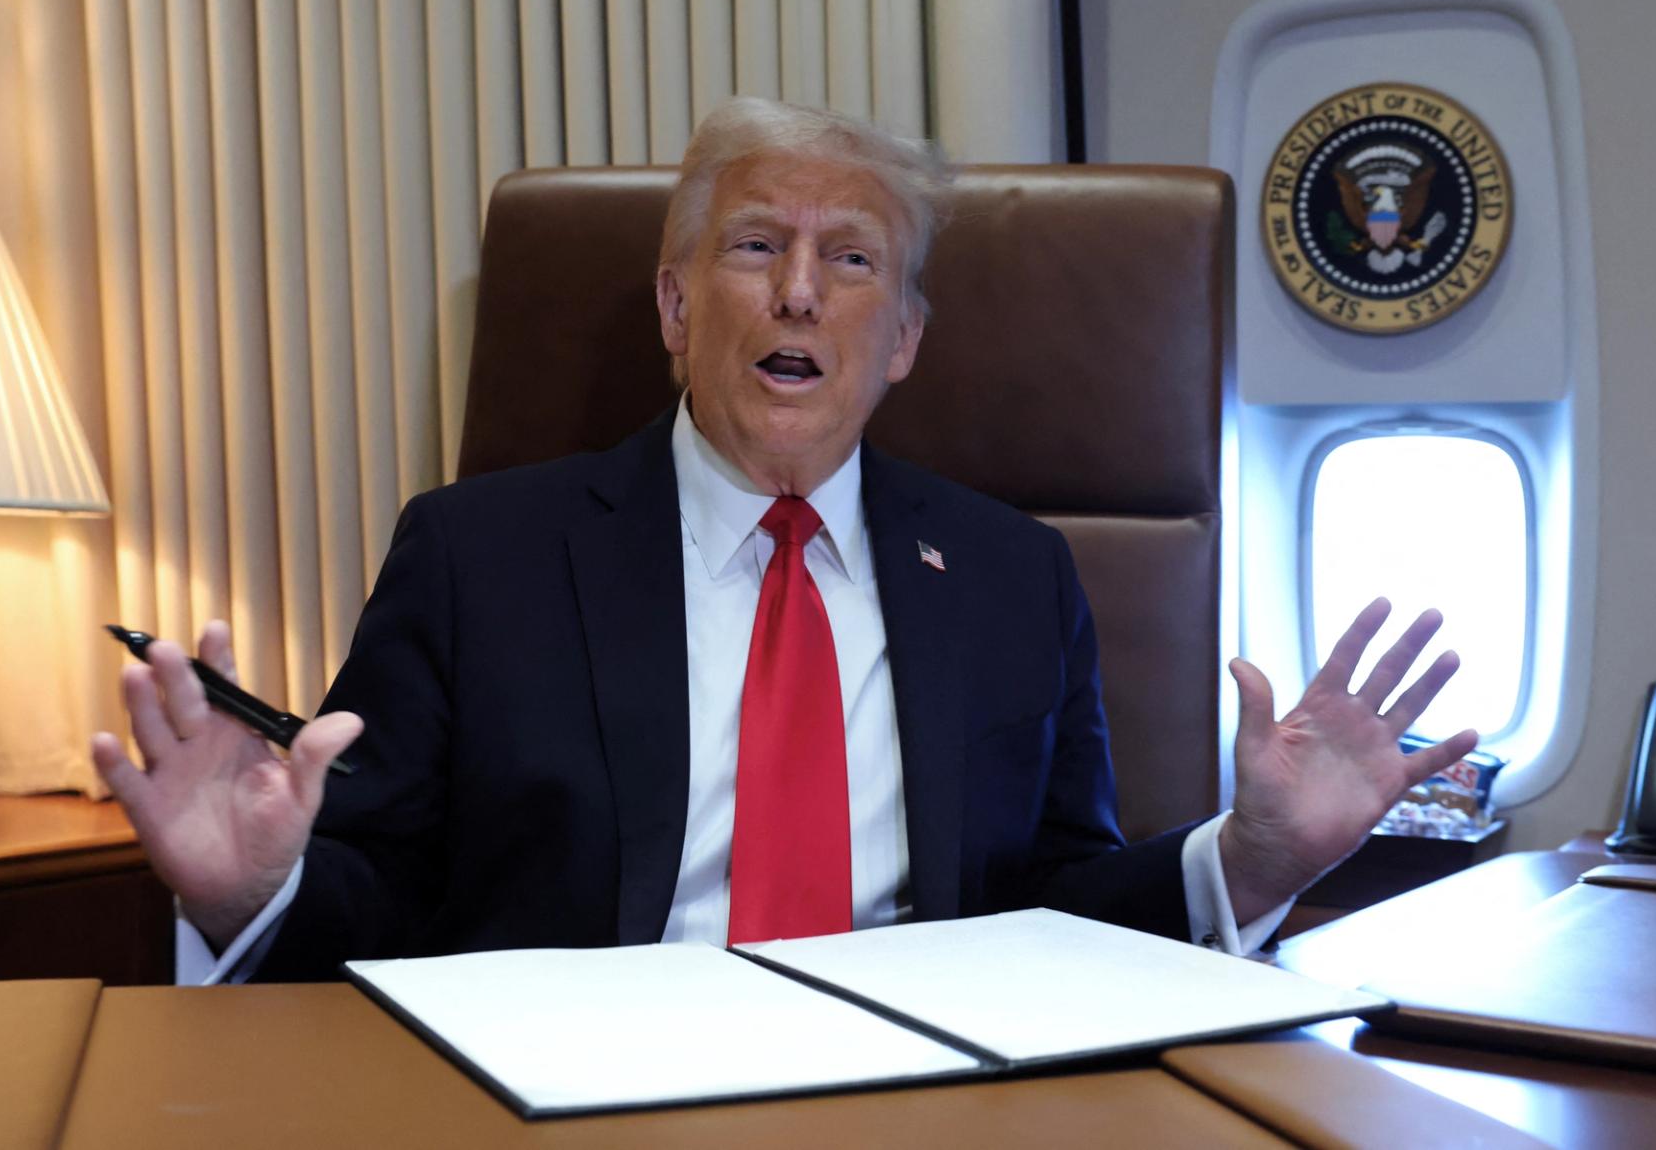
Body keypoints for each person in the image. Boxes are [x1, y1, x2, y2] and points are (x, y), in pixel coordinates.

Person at [92, 99, 1476, 982]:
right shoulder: (475, 554)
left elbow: (1057, 911)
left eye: (854, 259)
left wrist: (1252, 859)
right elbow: (383, 898)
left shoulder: (1012, 575)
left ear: (906, 342)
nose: (802, 293)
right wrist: (255, 892)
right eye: (755, 247)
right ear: (678, 307)